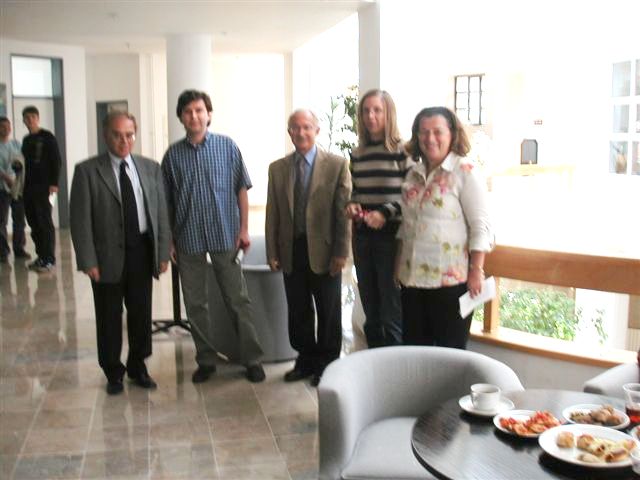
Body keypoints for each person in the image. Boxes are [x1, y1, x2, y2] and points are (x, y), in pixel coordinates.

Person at [162, 89, 265, 384]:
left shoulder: (227, 147)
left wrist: (244, 229)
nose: (194, 116)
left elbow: (241, 189)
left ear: (208, 114)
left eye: (199, 110)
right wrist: (169, 240)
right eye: (188, 112)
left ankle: (252, 359)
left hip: (226, 236)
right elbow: (167, 202)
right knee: (195, 305)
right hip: (188, 239)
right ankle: (206, 360)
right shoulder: (172, 156)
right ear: (181, 117)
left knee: (237, 300)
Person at [69, 111, 171, 395]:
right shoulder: (87, 171)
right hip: (105, 257)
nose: (124, 141)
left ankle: (138, 366)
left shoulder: (150, 168)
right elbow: (80, 221)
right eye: (117, 135)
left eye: (129, 134)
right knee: (109, 316)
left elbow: (160, 213)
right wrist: (88, 260)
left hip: (141, 251)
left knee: (141, 313)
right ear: (106, 135)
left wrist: (163, 252)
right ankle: (113, 371)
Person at [265, 109, 351, 386]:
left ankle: (327, 364)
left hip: (325, 252)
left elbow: (343, 214)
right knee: (298, 310)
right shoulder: (278, 169)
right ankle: (305, 360)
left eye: (306, 127)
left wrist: (341, 252)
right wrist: (272, 252)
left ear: (317, 130)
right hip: (292, 250)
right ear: (289, 132)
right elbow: (273, 213)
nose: (301, 132)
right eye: (295, 128)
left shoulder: (337, 165)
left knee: (328, 310)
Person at [394, 107, 493, 348]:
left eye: (437, 132)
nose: (430, 138)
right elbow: (406, 225)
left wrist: (476, 270)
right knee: (415, 353)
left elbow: (480, 226)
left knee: (450, 355)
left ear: (452, 134)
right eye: (424, 132)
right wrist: (397, 267)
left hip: (451, 284)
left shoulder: (465, 172)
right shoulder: (413, 174)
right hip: (411, 281)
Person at [345, 90, 414, 348]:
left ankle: (394, 365)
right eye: (366, 111)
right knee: (370, 309)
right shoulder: (357, 154)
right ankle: (374, 360)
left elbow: (413, 196)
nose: (370, 116)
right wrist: (352, 205)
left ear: (388, 114)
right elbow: (355, 192)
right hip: (363, 237)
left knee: (391, 309)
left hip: (391, 239)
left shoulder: (403, 151)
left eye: (377, 110)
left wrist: (385, 213)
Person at [21, 105, 61, 273]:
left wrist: (54, 183)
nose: (30, 120)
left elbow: (56, 160)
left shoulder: (47, 137)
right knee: (34, 222)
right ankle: (41, 256)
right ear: (23, 121)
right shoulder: (26, 140)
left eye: (32, 117)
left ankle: (49, 259)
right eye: (27, 118)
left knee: (44, 222)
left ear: (37, 118)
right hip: (28, 187)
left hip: (45, 187)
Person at [0, 116, 30, 263]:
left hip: (17, 188)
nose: (6, 129)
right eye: (2, 126)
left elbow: (22, 161)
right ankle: (2, 251)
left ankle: (19, 249)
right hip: (2, 188)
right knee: (2, 220)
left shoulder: (16, 144)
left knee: (19, 220)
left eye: (8, 126)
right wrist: (6, 178)